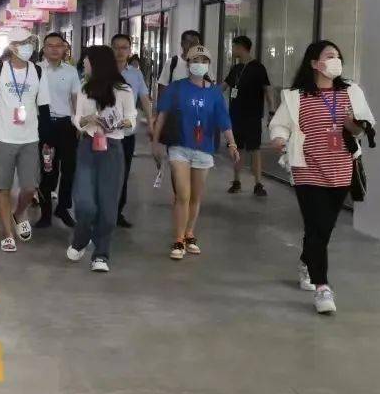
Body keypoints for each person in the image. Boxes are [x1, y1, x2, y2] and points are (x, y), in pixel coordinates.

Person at [270, 41, 375, 315]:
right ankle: (322, 287)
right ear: (314, 63)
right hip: (307, 169)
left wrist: (353, 125)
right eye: (329, 56)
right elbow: (280, 124)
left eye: (338, 56)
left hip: (341, 170)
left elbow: (362, 127)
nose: (335, 60)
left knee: (323, 229)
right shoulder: (297, 96)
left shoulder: (351, 91)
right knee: (316, 225)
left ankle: (307, 261)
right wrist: (279, 138)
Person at [153, 45, 239, 261]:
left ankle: (189, 233)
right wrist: (155, 142)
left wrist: (232, 144)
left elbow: (224, 120)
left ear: (209, 65)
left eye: (203, 60)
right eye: (195, 60)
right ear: (188, 63)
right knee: (183, 194)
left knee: (196, 196)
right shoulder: (176, 88)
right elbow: (162, 116)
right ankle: (178, 238)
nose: (199, 64)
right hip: (179, 146)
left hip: (204, 150)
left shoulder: (214, 93)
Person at [67, 45, 136, 272]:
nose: (84, 64)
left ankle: (101, 254)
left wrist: (125, 122)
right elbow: (77, 119)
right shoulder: (85, 89)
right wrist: (88, 119)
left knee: (108, 207)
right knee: (85, 202)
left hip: (113, 149)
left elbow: (132, 118)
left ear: (97, 63)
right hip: (88, 147)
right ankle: (80, 239)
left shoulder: (123, 90)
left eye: (87, 60)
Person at [0, 28, 51, 252]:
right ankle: (7, 233)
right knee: (2, 187)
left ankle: (19, 212)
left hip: (29, 138)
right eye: (22, 43)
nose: (27, 47)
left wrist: (47, 140)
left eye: (30, 42)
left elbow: (44, 107)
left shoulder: (38, 71)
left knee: (30, 187)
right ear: (12, 46)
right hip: (2, 137)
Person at [37, 32, 82, 229]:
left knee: (69, 168)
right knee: (47, 169)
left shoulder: (71, 71)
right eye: (50, 45)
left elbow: (75, 99)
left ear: (64, 49)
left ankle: (63, 208)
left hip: (66, 125)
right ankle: (45, 213)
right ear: (44, 49)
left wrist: (78, 124)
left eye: (59, 45)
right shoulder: (36, 70)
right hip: (44, 125)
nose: (55, 49)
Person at [224, 35, 276, 197]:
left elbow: (268, 89)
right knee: (236, 148)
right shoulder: (236, 69)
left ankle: (258, 184)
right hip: (235, 115)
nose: (232, 50)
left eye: (234, 47)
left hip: (252, 115)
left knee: (255, 149)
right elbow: (223, 86)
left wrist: (272, 111)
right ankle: (236, 181)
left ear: (241, 47)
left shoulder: (258, 68)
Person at [112, 33, 154, 228]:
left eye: (124, 48)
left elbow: (144, 98)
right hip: (104, 134)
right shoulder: (101, 71)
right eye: (116, 47)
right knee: (104, 173)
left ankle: (117, 212)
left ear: (130, 50)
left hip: (126, 134)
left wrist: (151, 122)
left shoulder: (136, 74)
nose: (120, 51)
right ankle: (102, 211)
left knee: (123, 174)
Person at [157, 30, 203, 95]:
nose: (191, 46)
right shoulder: (172, 62)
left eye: (195, 43)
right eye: (188, 42)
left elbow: (211, 87)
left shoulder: (204, 64)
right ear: (182, 44)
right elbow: (162, 87)